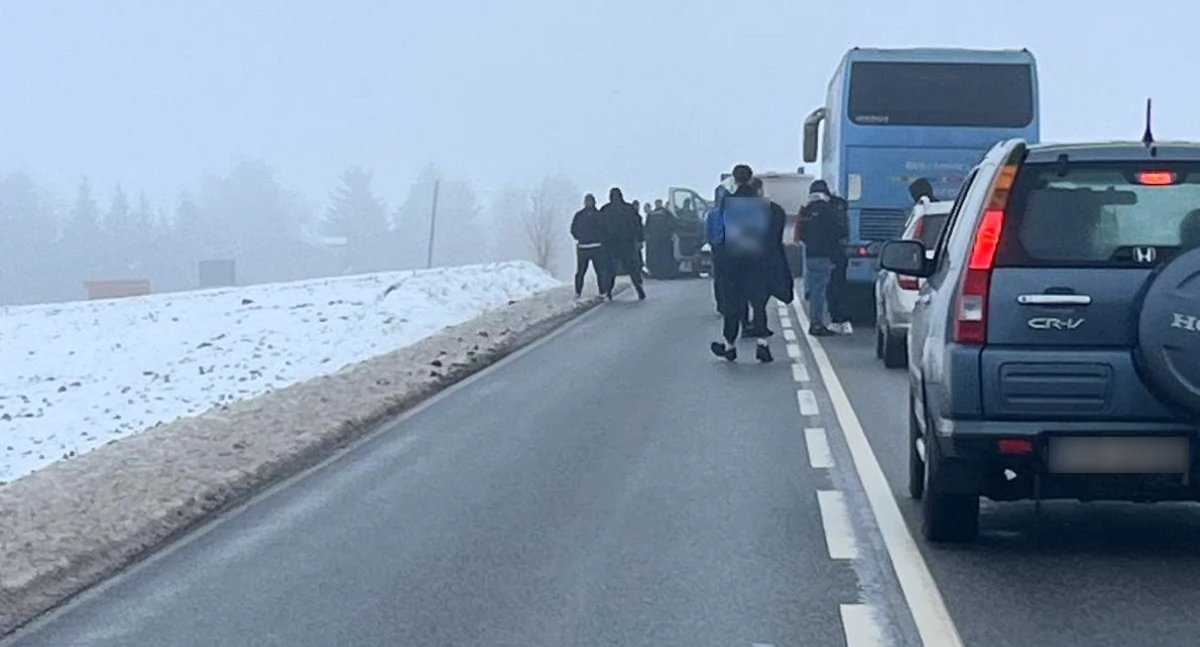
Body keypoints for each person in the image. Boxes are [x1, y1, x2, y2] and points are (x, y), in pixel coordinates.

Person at [707, 164, 775, 362]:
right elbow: (765, 235)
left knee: (732, 305)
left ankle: (730, 346)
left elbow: (722, 235)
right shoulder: (761, 204)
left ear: (734, 179)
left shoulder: (728, 203)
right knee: (758, 304)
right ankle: (763, 344)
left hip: (734, 260)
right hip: (756, 260)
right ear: (750, 178)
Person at [798, 179, 847, 336]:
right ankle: (817, 324)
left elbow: (802, 234)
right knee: (822, 291)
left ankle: (816, 321)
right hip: (825, 255)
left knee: (815, 291)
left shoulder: (806, 210)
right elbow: (837, 231)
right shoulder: (827, 210)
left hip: (810, 255)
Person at [600, 187, 646, 300]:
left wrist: (601, 241)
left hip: (611, 244)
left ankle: (608, 292)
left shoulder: (605, 210)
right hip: (627, 243)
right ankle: (638, 288)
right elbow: (637, 224)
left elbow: (600, 227)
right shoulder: (629, 209)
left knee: (611, 269)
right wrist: (640, 239)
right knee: (632, 268)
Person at [825, 192, 853, 335]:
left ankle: (836, 320)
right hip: (842, 253)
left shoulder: (828, 209)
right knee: (841, 285)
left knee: (830, 287)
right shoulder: (842, 209)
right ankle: (846, 321)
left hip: (830, 253)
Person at [570, 193, 608, 298]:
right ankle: (601, 292)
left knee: (583, 272)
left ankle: (579, 292)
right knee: (598, 271)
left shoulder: (579, 215)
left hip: (585, 247)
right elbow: (605, 229)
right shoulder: (599, 215)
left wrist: (580, 237)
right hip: (595, 247)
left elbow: (573, 229)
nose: (589, 203)